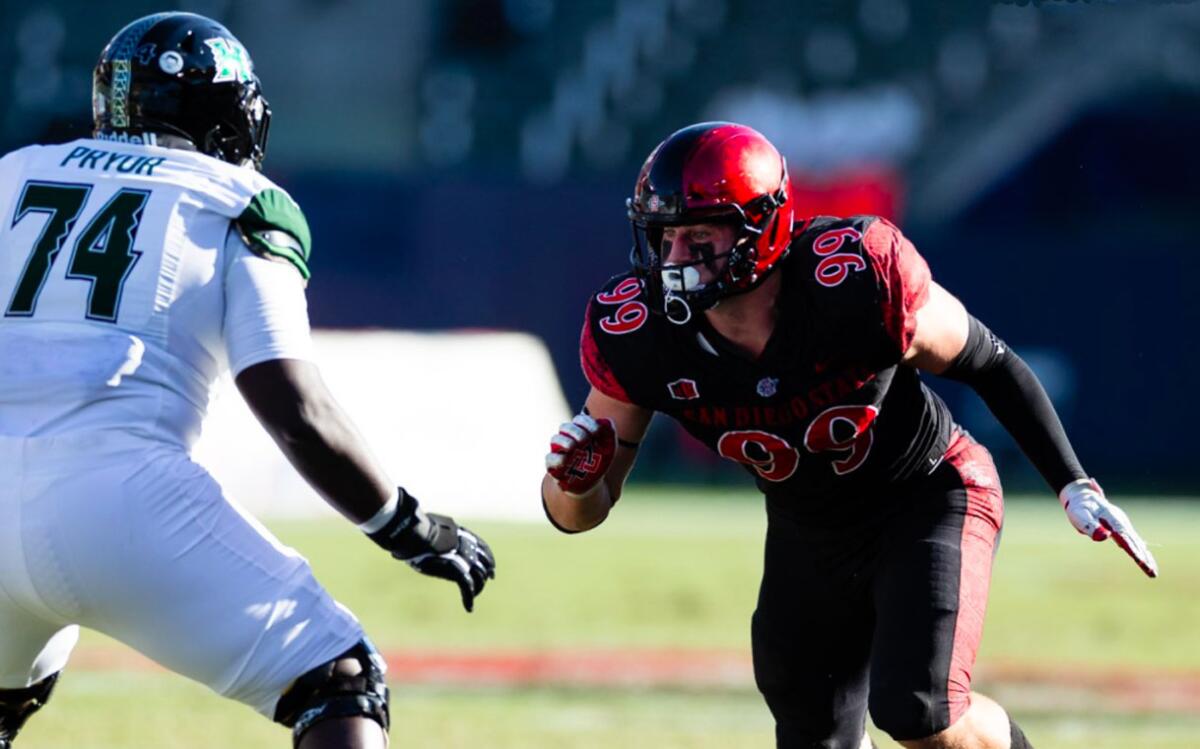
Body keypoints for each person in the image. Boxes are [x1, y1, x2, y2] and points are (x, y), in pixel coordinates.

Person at [542, 122, 1156, 749]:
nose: (675, 260)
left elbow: (989, 361)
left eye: (700, 235)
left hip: (925, 493)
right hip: (807, 530)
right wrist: (576, 481)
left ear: (763, 227)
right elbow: (578, 513)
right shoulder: (640, 333)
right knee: (813, 733)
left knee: (918, 711)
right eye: (665, 236)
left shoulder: (857, 277)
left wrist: (1072, 481)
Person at [0, 12, 494, 749]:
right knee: (340, 682)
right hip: (122, 490)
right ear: (220, 111)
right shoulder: (238, 199)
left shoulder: (15, 171)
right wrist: (406, 526)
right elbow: (295, 406)